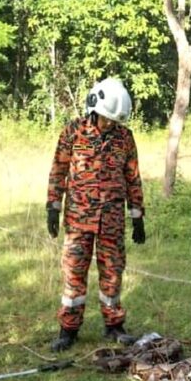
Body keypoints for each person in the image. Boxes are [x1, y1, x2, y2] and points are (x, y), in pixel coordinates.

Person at [46, 77, 146, 352]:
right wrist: (52, 207)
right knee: (74, 273)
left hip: (112, 219)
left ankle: (114, 325)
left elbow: (132, 176)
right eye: (106, 119)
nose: (110, 124)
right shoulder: (73, 132)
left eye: (114, 121)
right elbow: (58, 170)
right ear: (95, 109)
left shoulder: (125, 138)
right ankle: (68, 329)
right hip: (79, 219)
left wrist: (137, 215)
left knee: (112, 272)